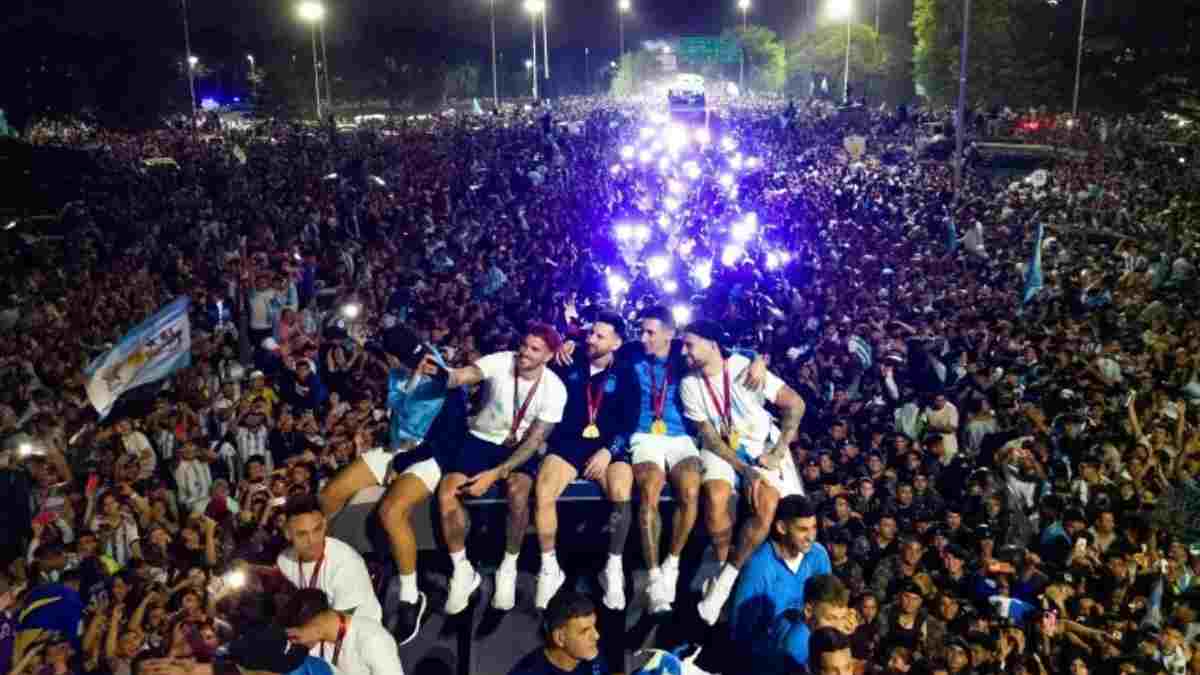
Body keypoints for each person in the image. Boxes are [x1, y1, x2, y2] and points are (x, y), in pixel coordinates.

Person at [431, 324, 568, 614]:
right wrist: (441, 373)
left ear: (549, 356)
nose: (525, 352)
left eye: (534, 349)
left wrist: (496, 473)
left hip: (519, 448)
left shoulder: (555, 389)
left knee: (518, 494)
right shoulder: (501, 360)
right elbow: (464, 376)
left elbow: (534, 442)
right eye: (524, 345)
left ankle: (509, 565)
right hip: (481, 438)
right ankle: (462, 569)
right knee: (447, 494)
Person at [679, 319, 807, 624]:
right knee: (715, 494)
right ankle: (723, 564)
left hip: (759, 448)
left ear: (711, 344)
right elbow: (709, 437)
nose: (684, 352)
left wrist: (777, 453)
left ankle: (723, 583)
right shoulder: (689, 384)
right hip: (723, 451)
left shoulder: (742, 366)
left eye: (690, 344)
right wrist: (742, 469)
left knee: (768, 506)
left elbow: (796, 404)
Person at [535, 312, 639, 610]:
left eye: (600, 336)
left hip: (608, 446)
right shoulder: (568, 359)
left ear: (617, 343)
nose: (591, 339)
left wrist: (609, 451)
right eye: (591, 333)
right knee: (544, 491)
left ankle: (613, 566)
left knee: (621, 494)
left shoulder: (627, 372)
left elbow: (629, 421)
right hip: (569, 445)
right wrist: (559, 347)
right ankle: (548, 566)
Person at [727, 496, 832, 674]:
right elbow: (741, 630)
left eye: (814, 528)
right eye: (803, 529)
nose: (811, 537)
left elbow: (830, 605)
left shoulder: (818, 554)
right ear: (782, 527)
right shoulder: (759, 567)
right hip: (768, 659)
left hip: (812, 653)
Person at [275, 494, 383, 621]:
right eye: (302, 534)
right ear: (288, 533)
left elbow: (340, 626)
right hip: (313, 629)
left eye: (317, 530)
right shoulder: (284, 562)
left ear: (325, 524)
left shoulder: (346, 565)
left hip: (358, 632)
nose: (312, 540)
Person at [282, 588, 405, 675]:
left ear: (315, 625)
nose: (293, 642)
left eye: (296, 637)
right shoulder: (316, 640)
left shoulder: (373, 639)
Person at [508, 590, 605, 675]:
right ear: (560, 638)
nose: (596, 636)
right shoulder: (527, 672)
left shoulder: (590, 654)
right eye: (584, 631)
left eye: (594, 627)